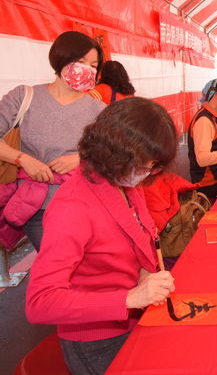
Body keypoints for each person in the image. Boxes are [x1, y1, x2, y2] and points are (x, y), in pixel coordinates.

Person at [26, 97, 178, 375]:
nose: (146, 174)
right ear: (116, 153)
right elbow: (40, 303)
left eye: (153, 166)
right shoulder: (72, 208)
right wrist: (128, 298)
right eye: (145, 165)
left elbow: (141, 236)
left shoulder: (125, 182)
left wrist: (146, 271)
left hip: (138, 318)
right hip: (98, 340)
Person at [0, 30, 105, 251]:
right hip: (35, 206)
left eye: (93, 65)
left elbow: (111, 152)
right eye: (80, 61)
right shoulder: (24, 97)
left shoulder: (98, 109)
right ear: (61, 58)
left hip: (84, 203)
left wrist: (80, 158)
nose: (87, 69)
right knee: (57, 260)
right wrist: (23, 159)